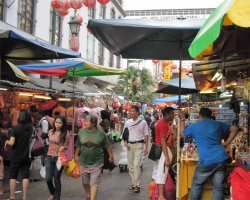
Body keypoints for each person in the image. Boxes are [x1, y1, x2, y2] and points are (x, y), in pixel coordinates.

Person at [179, 108, 238, 200]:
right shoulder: (218, 124)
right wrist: (227, 143)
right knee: (218, 186)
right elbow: (235, 129)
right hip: (221, 158)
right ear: (211, 116)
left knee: (196, 184)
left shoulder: (195, 126)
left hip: (207, 160)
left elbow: (182, 134)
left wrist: (182, 119)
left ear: (200, 116)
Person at [74, 114, 114, 200]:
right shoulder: (82, 132)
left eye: (87, 121)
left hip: (97, 162)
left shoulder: (101, 133)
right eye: (85, 121)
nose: (85, 123)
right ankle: (88, 195)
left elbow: (107, 145)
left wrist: (111, 156)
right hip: (84, 161)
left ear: (93, 123)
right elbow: (78, 144)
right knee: (85, 181)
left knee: (94, 182)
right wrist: (76, 155)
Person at [4, 110, 33, 200]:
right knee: (25, 176)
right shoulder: (30, 128)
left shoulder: (15, 129)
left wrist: (6, 142)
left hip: (16, 155)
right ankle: (24, 197)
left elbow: (11, 143)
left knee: (13, 176)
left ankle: (12, 197)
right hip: (27, 156)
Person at [123, 105, 149, 193]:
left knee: (136, 165)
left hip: (139, 145)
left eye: (133, 111)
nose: (131, 112)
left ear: (137, 112)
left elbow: (146, 135)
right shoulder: (127, 122)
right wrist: (125, 142)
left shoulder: (143, 123)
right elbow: (124, 134)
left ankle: (137, 185)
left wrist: (146, 147)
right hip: (130, 145)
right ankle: (134, 183)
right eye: (130, 111)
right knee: (130, 166)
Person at [152, 107, 175, 200]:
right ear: (166, 115)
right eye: (172, 114)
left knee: (160, 171)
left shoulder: (166, 124)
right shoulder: (162, 124)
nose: (173, 115)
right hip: (162, 151)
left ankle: (157, 192)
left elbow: (169, 140)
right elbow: (163, 141)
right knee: (162, 172)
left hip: (163, 150)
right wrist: (167, 157)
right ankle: (160, 196)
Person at [46, 115, 69, 200]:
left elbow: (66, 146)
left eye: (60, 123)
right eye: (56, 122)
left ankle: (56, 198)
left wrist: (63, 147)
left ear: (63, 124)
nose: (58, 124)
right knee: (48, 178)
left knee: (56, 179)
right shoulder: (51, 132)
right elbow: (49, 144)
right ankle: (53, 192)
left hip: (59, 158)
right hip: (49, 157)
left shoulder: (66, 134)